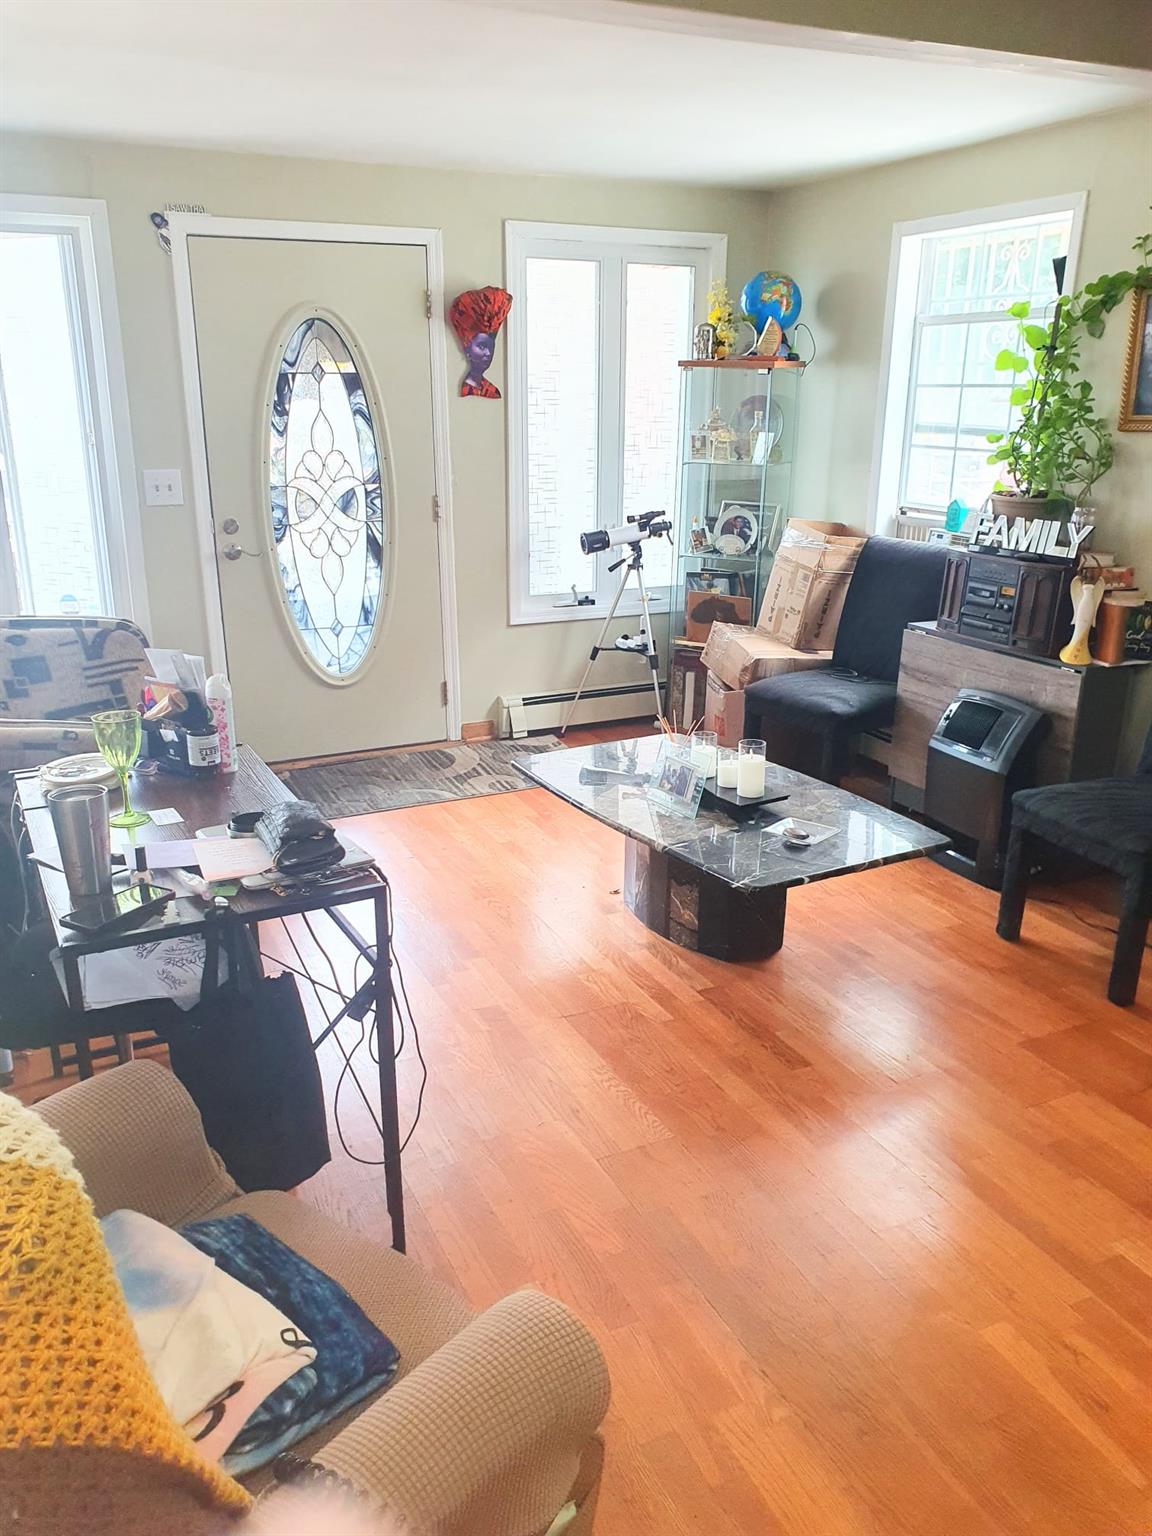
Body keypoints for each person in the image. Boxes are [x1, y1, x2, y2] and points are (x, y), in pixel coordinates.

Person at [447, 287, 512, 398]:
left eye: (491, 346)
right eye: (482, 346)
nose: (488, 353)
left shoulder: (492, 390)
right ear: (467, 349)